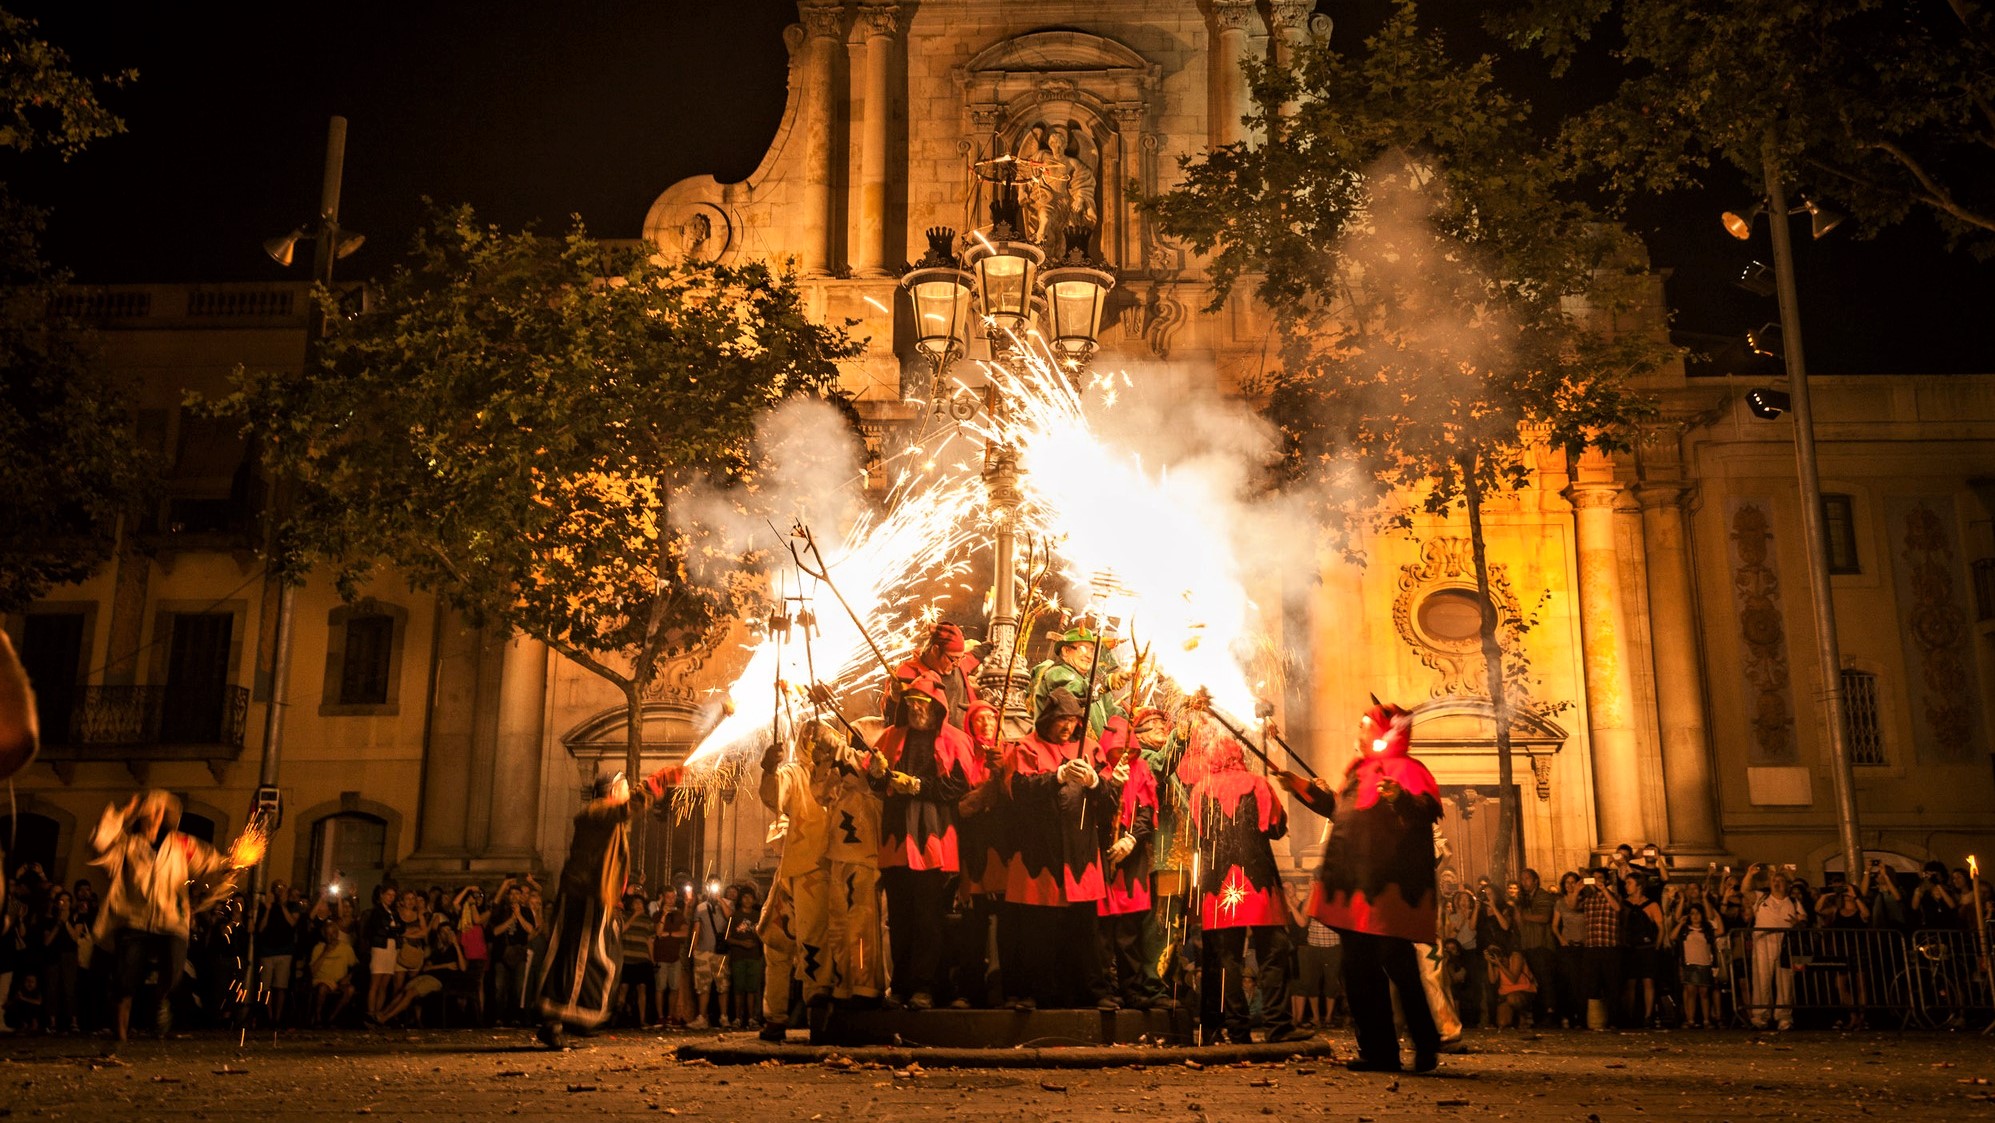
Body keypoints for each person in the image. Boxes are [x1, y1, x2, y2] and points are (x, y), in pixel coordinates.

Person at [1280, 701, 1443, 1074]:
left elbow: (1425, 811)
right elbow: (1340, 811)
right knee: (1357, 972)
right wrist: (1303, 788)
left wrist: (1399, 797)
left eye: (1365, 724)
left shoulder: (1409, 769)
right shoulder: (1357, 771)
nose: (1358, 729)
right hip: (1352, 888)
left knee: (1399, 967)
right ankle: (1378, 1051)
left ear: (1386, 732)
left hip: (1387, 889)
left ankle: (1426, 1044)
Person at [87, 789, 237, 1048]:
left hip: (171, 921)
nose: (156, 815)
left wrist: (227, 867)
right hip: (134, 920)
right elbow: (99, 845)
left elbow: (210, 863)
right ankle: (120, 1037)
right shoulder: (127, 844)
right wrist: (122, 813)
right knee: (125, 980)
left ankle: (160, 1005)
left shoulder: (182, 844)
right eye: (151, 810)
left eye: (161, 811)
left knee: (174, 972)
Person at [1184, 720, 1302, 1044]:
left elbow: (1197, 836)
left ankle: (1238, 1030)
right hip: (1258, 879)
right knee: (1273, 951)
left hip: (1219, 883)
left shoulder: (1198, 791)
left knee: (1227, 958)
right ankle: (1279, 1026)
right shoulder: (1258, 784)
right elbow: (1276, 828)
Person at [999, 687, 1116, 1009]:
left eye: (1074, 720)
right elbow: (1018, 791)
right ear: (1048, 718)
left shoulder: (1091, 749)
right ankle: (1035, 994)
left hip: (1080, 852)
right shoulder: (1025, 747)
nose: (1068, 727)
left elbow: (1110, 801)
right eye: (1062, 720)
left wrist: (1095, 782)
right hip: (1041, 851)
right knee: (1039, 929)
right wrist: (1057, 776)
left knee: (1084, 930)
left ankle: (1092, 992)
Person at [872, 674, 974, 1010]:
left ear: (937, 707)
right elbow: (875, 785)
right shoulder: (889, 737)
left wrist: (917, 786)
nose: (916, 708)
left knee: (929, 916)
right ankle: (900, 985)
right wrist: (877, 774)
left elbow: (958, 785)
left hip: (934, 838)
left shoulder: (955, 739)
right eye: (912, 702)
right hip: (896, 838)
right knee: (899, 917)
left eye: (923, 703)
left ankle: (925, 987)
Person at [530, 771, 639, 1049]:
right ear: (612, 792)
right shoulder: (597, 813)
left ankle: (565, 1021)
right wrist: (657, 783)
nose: (629, 791)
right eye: (625, 788)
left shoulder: (607, 819)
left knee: (596, 958)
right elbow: (628, 808)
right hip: (584, 896)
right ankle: (556, 1021)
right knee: (578, 960)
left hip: (595, 899)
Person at [1095, 716, 1158, 1011]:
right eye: (1118, 751)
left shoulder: (1141, 770)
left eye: (1128, 752)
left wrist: (1131, 839)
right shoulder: (1099, 771)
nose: (1124, 758)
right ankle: (1105, 990)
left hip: (1131, 861)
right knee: (1103, 932)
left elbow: (1146, 812)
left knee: (1128, 932)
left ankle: (1131, 989)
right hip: (1102, 858)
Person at [882, 620, 983, 728]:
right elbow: (889, 718)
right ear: (935, 650)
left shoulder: (958, 663)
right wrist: (893, 698)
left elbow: (975, 655)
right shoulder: (906, 673)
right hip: (931, 741)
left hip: (964, 739)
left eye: (961, 657)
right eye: (954, 659)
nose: (957, 664)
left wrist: (991, 644)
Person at [1742, 863, 1804, 1030]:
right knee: (1762, 980)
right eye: (1774, 880)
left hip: (1786, 945)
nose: (1776, 883)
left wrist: (1798, 922)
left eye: (1780, 881)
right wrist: (1750, 874)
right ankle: (1760, 1016)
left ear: (1786, 885)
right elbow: (1745, 891)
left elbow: (1804, 918)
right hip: (1764, 944)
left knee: (1785, 982)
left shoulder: (1793, 901)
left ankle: (1783, 1017)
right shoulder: (1761, 898)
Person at [1027, 628, 1122, 735]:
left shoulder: (1091, 681)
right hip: (1059, 747)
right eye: (1083, 649)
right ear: (1066, 651)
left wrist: (1135, 719)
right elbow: (1070, 694)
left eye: (1092, 650)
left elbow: (1111, 711)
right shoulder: (1057, 673)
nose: (1089, 656)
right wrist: (1105, 683)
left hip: (1091, 749)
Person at [378, 923, 467, 1026]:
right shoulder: (437, 951)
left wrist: (456, 945)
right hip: (426, 976)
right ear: (439, 935)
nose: (446, 934)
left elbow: (463, 967)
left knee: (410, 993)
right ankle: (381, 1014)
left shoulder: (456, 949)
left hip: (439, 981)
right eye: (443, 932)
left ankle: (385, 1018)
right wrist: (445, 965)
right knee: (403, 991)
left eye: (449, 931)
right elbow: (426, 968)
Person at [255, 880, 303, 1027]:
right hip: (267, 951)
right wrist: (268, 909)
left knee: (280, 986)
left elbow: (292, 923)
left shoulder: (292, 906)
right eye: (277, 889)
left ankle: (277, 1017)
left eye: (282, 889)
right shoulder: (266, 907)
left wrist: (282, 906)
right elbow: (261, 928)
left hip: (284, 951)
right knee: (266, 988)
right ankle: (269, 1017)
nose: (279, 892)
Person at [1673, 900, 1723, 1029]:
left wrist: (1715, 912)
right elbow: (1672, 936)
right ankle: (1690, 1019)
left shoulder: (1707, 930)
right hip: (1690, 964)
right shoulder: (1685, 930)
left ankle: (1706, 1019)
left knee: (1704, 993)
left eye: (1698, 913)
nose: (1695, 916)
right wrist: (1680, 923)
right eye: (1692, 913)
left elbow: (1721, 931)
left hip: (1704, 963)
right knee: (1691, 993)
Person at [360, 883, 404, 1024]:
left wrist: (394, 929)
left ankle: (378, 1015)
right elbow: (374, 930)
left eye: (393, 896)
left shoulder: (393, 912)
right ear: (382, 895)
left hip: (391, 949)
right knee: (375, 983)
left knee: (384, 984)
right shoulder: (376, 912)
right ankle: (370, 1013)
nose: (391, 898)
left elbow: (401, 927)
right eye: (388, 895)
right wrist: (392, 929)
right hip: (380, 948)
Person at [725, 885, 765, 1027]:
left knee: (752, 988)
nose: (748, 900)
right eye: (745, 897)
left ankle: (751, 1017)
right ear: (741, 899)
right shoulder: (734, 916)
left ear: (754, 900)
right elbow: (727, 937)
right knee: (738, 988)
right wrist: (742, 943)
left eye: (750, 897)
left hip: (754, 956)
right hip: (739, 956)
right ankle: (737, 1017)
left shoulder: (758, 916)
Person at [308, 917, 358, 1027]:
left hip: (339, 982)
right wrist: (325, 952)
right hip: (322, 981)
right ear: (325, 935)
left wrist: (349, 976)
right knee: (322, 988)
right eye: (329, 934)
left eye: (334, 933)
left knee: (350, 990)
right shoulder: (318, 948)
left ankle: (332, 1018)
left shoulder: (346, 948)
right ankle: (318, 1017)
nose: (332, 937)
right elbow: (312, 971)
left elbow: (355, 966)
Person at [617, 892, 656, 1028]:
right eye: (635, 903)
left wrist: (652, 959)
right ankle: (617, 1019)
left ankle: (642, 1020)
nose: (638, 905)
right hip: (627, 958)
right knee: (623, 988)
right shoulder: (626, 916)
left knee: (642, 988)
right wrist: (634, 916)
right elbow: (621, 930)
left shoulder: (647, 920)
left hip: (642, 959)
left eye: (640, 903)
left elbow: (649, 940)